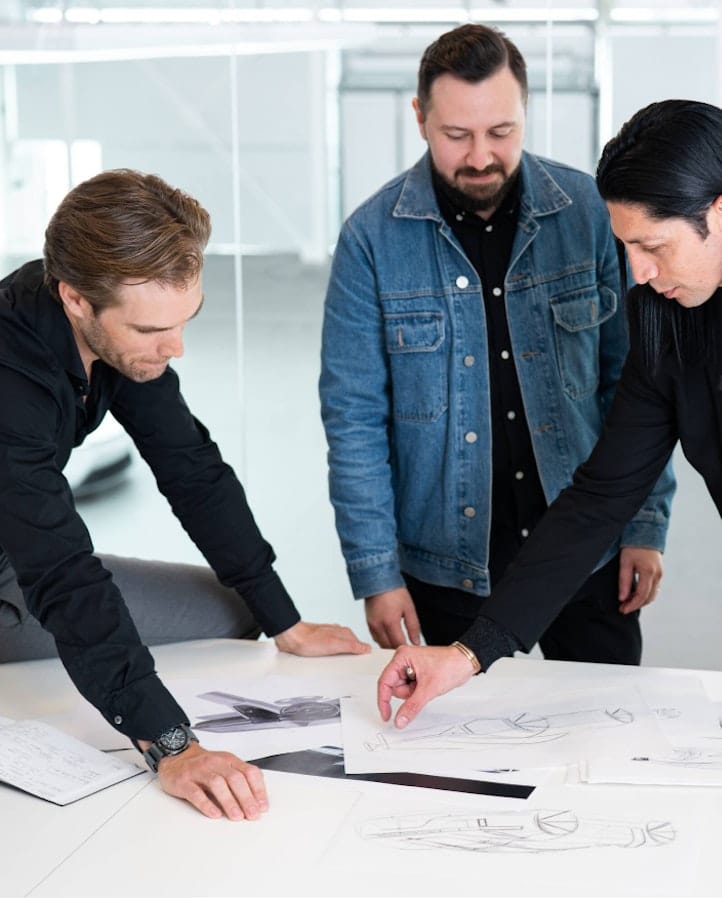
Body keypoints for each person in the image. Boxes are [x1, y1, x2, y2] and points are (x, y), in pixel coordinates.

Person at [0, 168, 369, 820]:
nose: (174, 347)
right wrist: (171, 743)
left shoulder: (118, 331)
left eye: (185, 319)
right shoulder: (10, 378)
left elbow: (191, 468)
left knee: (231, 614)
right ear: (76, 299)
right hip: (24, 569)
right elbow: (60, 569)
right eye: (151, 332)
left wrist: (284, 618)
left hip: (15, 560)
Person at [320, 24, 674, 670]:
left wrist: (646, 524)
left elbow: (637, 383)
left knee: (600, 744)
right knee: (461, 764)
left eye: (501, 132)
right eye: (457, 135)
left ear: (525, 113)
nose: (480, 155)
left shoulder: (592, 215)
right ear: (420, 118)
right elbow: (354, 421)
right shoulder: (370, 241)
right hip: (444, 566)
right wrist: (375, 572)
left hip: (585, 549)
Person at [376, 97, 722, 729]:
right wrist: (467, 653)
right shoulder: (664, 317)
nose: (639, 273)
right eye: (628, 248)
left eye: (654, 246)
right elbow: (599, 497)